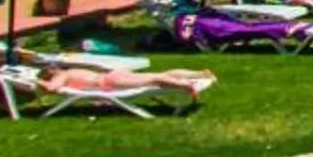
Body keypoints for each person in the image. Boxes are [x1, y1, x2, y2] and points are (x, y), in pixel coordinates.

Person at [44, 65, 217, 95]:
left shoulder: (62, 75)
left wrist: (36, 82)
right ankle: (198, 74)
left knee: (154, 78)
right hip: (111, 75)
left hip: (109, 82)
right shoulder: (72, 70)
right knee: (160, 74)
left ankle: (188, 85)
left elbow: (52, 88)